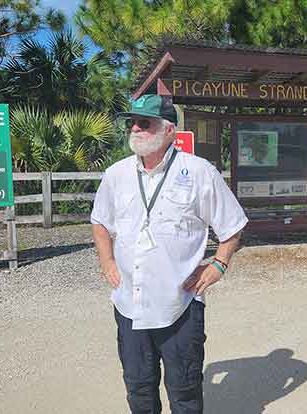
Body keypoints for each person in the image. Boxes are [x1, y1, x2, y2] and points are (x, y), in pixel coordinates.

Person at [91, 94, 248, 413]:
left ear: (168, 130)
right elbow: (99, 222)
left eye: (144, 123)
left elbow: (233, 225)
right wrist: (107, 261)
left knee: (185, 392)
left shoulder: (198, 171)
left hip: (180, 306)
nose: (135, 128)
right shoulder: (116, 175)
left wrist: (219, 264)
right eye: (131, 122)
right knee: (138, 389)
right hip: (129, 306)